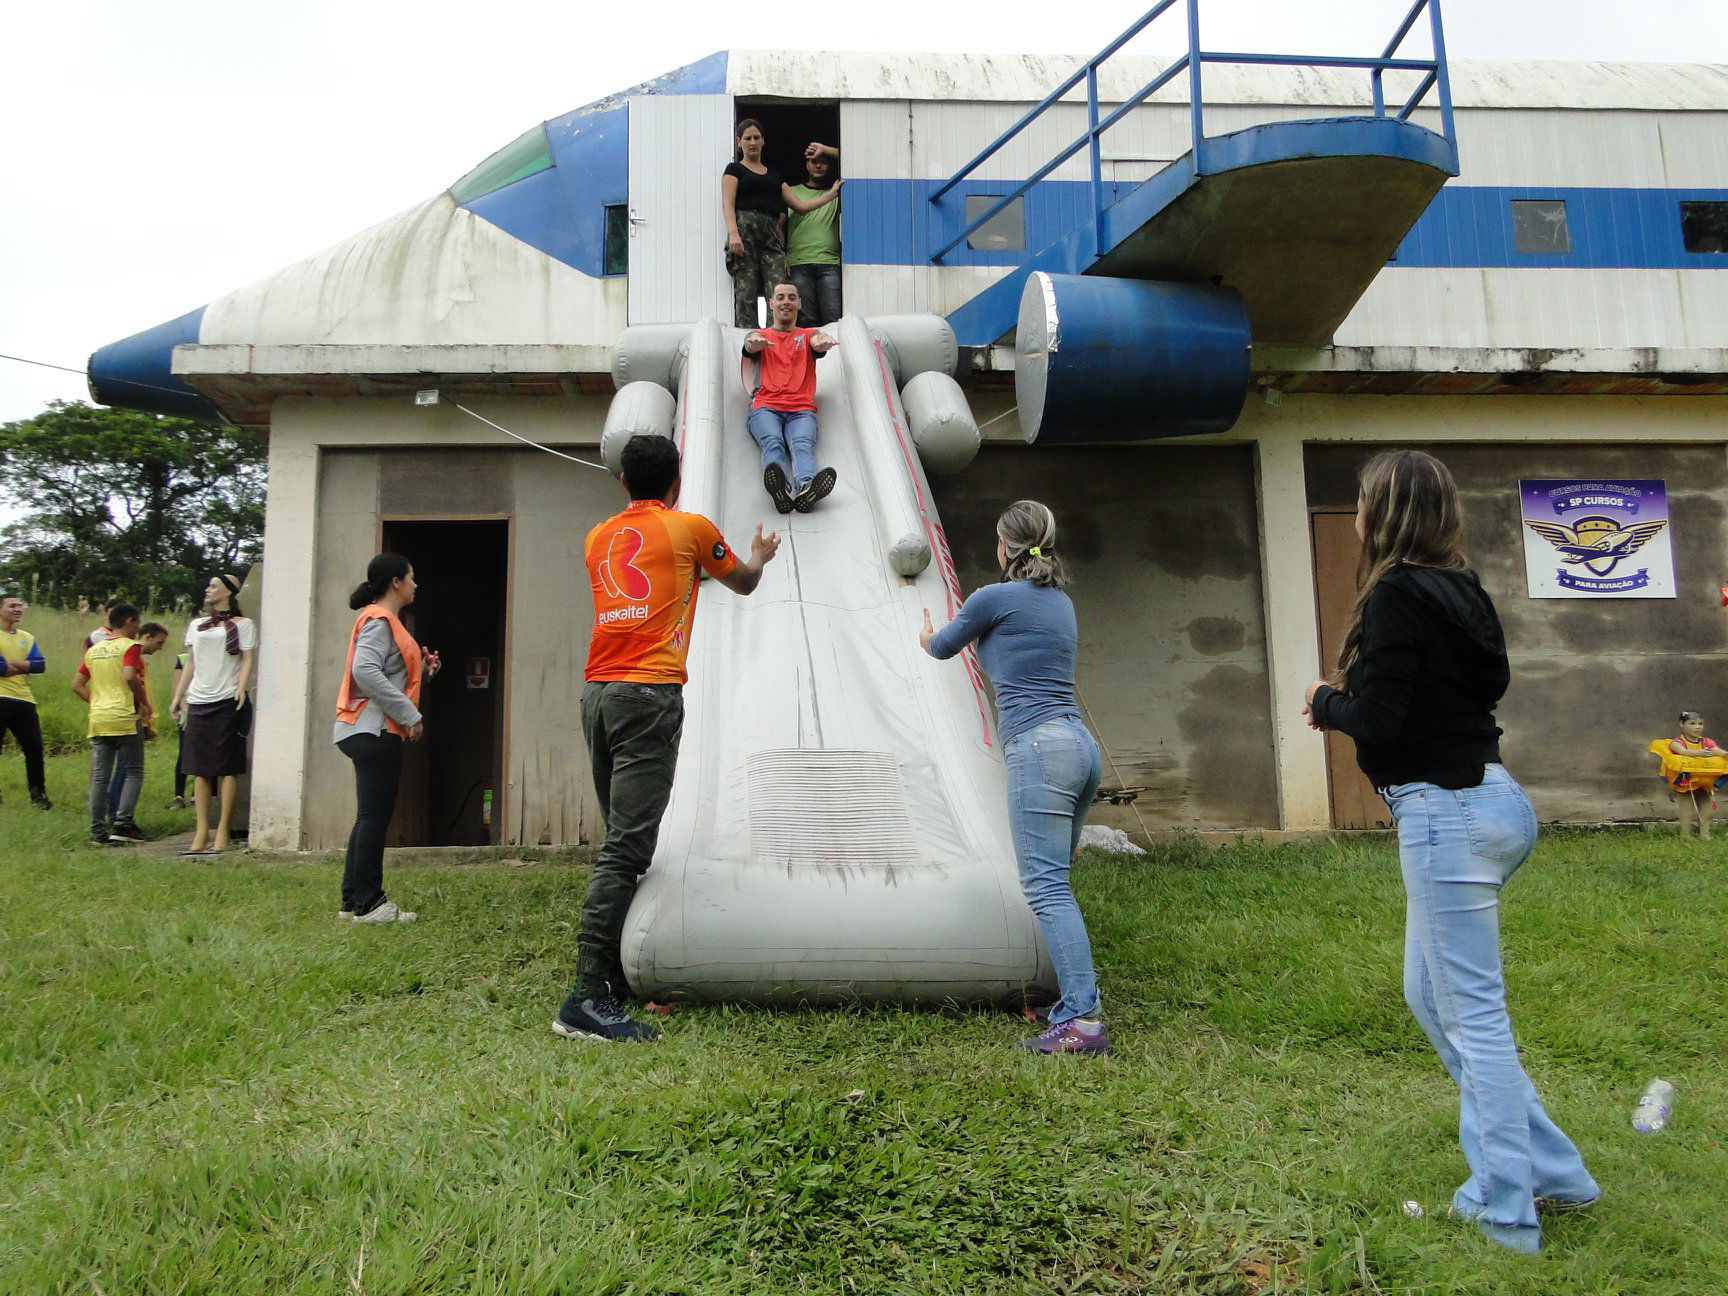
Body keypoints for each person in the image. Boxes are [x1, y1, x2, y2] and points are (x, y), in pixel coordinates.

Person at [1302, 449, 1599, 1254]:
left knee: (1474, 1017)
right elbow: (1490, 683)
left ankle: (1507, 1207)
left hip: (1447, 812)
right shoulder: (1460, 587)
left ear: (1386, 512)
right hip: (1494, 802)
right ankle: (1557, 1172)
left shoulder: (1398, 593)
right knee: (1432, 998)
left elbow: (1384, 720)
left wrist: (1328, 702)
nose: (1357, 513)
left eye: (1364, 501)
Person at [553, 434, 780, 1044]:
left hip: (597, 694)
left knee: (622, 844)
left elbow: (654, 587)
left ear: (623, 482)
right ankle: (587, 995)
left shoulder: (597, 538)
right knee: (626, 849)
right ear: (677, 480)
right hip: (648, 697)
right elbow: (743, 582)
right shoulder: (691, 529)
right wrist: (758, 553)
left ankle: (616, 978)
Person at [919, 501, 1110, 1056]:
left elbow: (941, 648)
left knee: (1046, 888)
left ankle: (1084, 1020)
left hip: (1040, 751)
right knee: (1058, 883)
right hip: (1080, 749)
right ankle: (1073, 1003)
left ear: (1004, 546)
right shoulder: (1063, 604)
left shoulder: (992, 598)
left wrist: (926, 629)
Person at [334, 553, 441, 924]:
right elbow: (364, 671)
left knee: (368, 817)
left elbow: (386, 676)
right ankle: (369, 903)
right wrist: (411, 715)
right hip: (374, 728)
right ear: (396, 582)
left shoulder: (386, 621)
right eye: (411, 578)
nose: (415, 584)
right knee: (375, 819)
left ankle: (352, 902)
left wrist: (425, 672)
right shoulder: (380, 620)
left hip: (362, 727)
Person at [721, 118, 842, 330]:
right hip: (745, 231)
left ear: (763, 141)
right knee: (746, 291)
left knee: (778, 288)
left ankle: (776, 337)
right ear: (739, 142)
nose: (752, 142)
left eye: (757, 137)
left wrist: (831, 195)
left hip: (771, 234)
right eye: (748, 138)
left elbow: (800, 206)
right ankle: (749, 337)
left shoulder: (774, 175)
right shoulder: (734, 169)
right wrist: (733, 233)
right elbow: (727, 203)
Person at [743, 282, 839, 513]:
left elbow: (817, 341)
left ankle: (807, 486)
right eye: (781, 297)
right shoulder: (761, 335)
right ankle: (781, 490)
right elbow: (750, 344)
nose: (786, 302)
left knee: (802, 444)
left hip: (801, 408)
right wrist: (754, 343)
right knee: (772, 441)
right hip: (766, 406)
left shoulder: (807, 335)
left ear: (799, 304)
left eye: (791, 298)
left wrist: (822, 342)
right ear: (772, 303)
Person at [181, 574, 258, 854]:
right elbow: (191, 661)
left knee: (227, 767)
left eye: (213, 586)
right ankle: (202, 830)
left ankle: (223, 828)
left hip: (228, 700)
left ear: (228, 591)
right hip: (199, 700)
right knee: (199, 769)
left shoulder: (244, 625)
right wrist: (179, 695)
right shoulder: (197, 625)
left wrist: (241, 687)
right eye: (208, 585)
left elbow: (247, 657)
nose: (208, 589)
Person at [73, 602, 148, 844]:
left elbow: (77, 685)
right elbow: (129, 675)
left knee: (99, 778)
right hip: (125, 718)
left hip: (98, 719)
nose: (137, 628)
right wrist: (143, 702)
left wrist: (97, 703)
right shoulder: (130, 646)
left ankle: (97, 832)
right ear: (129, 621)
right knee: (133, 772)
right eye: (137, 623)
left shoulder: (94, 650)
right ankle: (122, 825)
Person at [105, 623, 169, 823]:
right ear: (146, 636)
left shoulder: (137, 659)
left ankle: (111, 818)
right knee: (127, 772)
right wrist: (143, 707)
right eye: (159, 642)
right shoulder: (132, 655)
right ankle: (119, 819)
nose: (160, 648)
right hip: (128, 718)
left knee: (117, 772)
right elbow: (131, 682)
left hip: (113, 717)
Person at [0, 590, 51, 810]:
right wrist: (22, 666)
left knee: (34, 749)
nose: (18, 609)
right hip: (0, 698)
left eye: (20, 605)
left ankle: (38, 796)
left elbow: (40, 665)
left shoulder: (26, 637)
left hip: (24, 699)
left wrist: (11, 664)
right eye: (12, 605)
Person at [787, 142, 843, 327]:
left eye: (824, 161)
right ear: (806, 165)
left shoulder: (838, 192)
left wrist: (826, 149)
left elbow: (855, 159)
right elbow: (778, 228)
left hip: (829, 263)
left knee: (833, 321)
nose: (818, 165)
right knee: (806, 323)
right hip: (798, 264)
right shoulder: (792, 192)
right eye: (813, 161)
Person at [1649, 709, 1725, 839]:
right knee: (1686, 810)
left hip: (1704, 781)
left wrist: (1725, 755)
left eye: (1700, 724)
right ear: (1681, 724)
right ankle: (1685, 835)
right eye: (1692, 723)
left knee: (1706, 809)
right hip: (1686, 782)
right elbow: (1682, 752)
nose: (1697, 727)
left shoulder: (1706, 742)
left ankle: (1705, 834)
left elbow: (1717, 751)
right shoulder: (1677, 742)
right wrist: (1699, 754)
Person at [167, 650, 190, 808]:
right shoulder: (182, 659)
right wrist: (184, 708)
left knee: (206, 753)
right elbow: (177, 687)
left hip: (206, 710)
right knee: (184, 753)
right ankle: (179, 795)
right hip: (187, 712)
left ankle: (198, 794)